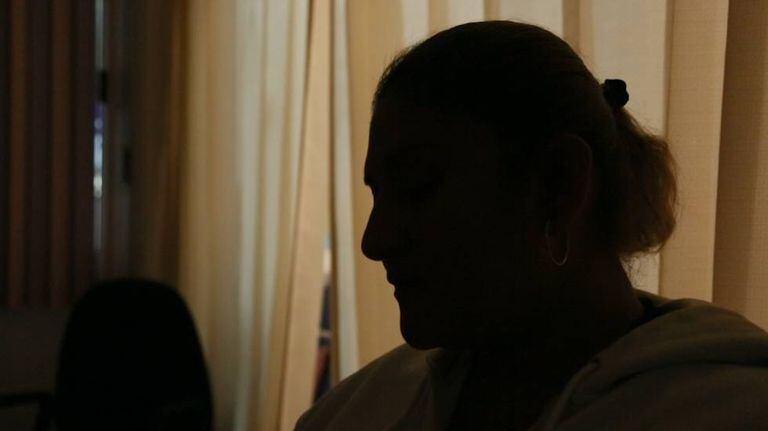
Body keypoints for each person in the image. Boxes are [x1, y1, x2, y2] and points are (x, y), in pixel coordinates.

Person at [295, 21, 768, 430]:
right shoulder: (352, 414)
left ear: (560, 185)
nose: (374, 241)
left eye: (418, 188)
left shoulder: (731, 413)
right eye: (378, 196)